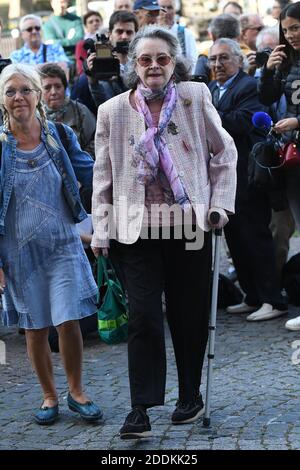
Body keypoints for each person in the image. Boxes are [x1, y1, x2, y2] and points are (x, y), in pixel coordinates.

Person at [91, 25, 237, 439]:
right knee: (143, 317)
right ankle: (141, 407)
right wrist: (101, 230)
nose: (154, 66)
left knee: (188, 315)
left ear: (175, 63)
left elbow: (224, 152)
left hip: (190, 226)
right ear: (133, 64)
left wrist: (220, 205)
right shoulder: (113, 110)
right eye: (145, 59)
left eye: (162, 59)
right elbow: (103, 175)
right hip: (134, 231)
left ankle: (190, 395)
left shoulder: (195, 97)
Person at [0, 63, 102, 425]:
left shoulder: (58, 135)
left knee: (68, 320)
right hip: (19, 253)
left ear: (38, 94)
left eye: (25, 90)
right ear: (2, 100)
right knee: (35, 327)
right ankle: (48, 396)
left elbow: (94, 172)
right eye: (10, 92)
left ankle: (77, 391)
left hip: (62, 244)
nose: (18, 98)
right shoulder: (0, 148)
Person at [208, 38, 287, 322]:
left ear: (239, 61)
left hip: (248, 173)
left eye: (224, 58)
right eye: (213, 59)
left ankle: (272, 299)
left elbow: (242, 121)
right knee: (235, 238)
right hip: (223, 178)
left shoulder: (248, 86)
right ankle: (252, 295)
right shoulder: (212, 89)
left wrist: (207, 115)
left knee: (255, 237)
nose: (217, 64)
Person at [258, 1, 300, 331]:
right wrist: (268, 69)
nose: (291, 35)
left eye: (296, 28)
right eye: (286, 30)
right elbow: (267, 96)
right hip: (294, 158)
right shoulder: (287, 60)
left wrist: (297, 121)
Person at [40, 63, 96, 158]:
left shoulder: (80, 111)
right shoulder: (34, 116)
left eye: (58, 86)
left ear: (65, 88)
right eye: (47, 88)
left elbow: (95, 140)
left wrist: (80, 160)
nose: (53, 92)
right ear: (39, 91)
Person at [43, 0, 84, 67]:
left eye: (63, 2)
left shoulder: (76, 20)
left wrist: (57, 41)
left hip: (75, 58)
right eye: (57, 2)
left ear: (67, 3)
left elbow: (79, 39)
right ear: (52, 4)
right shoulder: (47, 23)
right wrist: (69, 40)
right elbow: (51, 44)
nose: (60, 5)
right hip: (57, 60)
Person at [158, 0, 198, 68]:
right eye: (162, 7)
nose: (166, 11)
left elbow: (193, 63)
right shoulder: (150, 33)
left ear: (175, 10)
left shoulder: (186, 34)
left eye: (170, 7)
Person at [75, 11, 104, 76]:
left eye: (97, 20)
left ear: (102, 23)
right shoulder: (81, 44)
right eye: (91, 22)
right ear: (86, 26)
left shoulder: (109, 40)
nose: (95, 23)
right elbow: (81, 68)